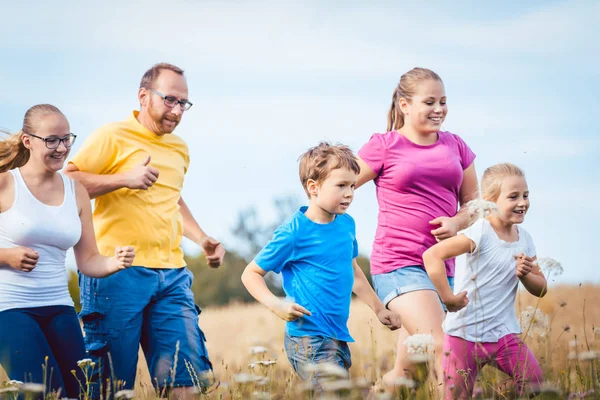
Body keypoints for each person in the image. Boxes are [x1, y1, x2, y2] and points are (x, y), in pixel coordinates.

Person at [64, 63, 225, 398]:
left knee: (187, 383)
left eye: (183, 103)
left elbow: (171, 198)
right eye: (169, 100)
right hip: (115, 272)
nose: (177, 110)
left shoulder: (179, 148)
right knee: (110, 388)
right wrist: (123, 179)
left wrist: (201, 238)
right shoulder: (112, 135)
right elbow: (66, 183)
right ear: (143, 96)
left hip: (172, 275)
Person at [355, 67, 479, 391]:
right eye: (430, 102)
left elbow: (475, 203)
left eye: (443, 101)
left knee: (408, 375)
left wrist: (457, 222)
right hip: (398, 264)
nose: (439, 110)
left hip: (440, 269)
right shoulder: (384, 146)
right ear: (405, 105)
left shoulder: (457, 146)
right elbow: (340, 185)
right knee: (444, 348)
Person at [0, 104, 135, 398]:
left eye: (66, 139)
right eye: (51, 140)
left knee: (80, 392)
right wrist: (6, 256)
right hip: (9, 308)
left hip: (59, 306)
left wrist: (114, 261)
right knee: (43, 392)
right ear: (28, 140)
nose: (61, 148)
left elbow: (87, 260)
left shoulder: (76, 190)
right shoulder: (6, 183)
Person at [241, 142, 401, 383]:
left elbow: (353, 271)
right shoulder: (294, 232)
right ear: (313, 187)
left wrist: (379, 309)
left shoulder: (347, 224)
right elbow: (250, 274)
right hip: (308, 338)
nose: (349, 193)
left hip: (337, 335)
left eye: (352, 186)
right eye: (341, 186)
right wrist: (277, 305)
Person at [423, 163, 546, 399]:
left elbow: (541, 289)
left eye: (526, 195)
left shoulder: (526, 239)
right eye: (513, 197)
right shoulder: (480, 231)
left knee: (535, 382)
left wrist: (525, 274)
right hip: (463, 336)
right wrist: (447, 299)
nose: (523, 202)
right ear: (490, 200)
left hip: (504, 335)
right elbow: (432, 255)